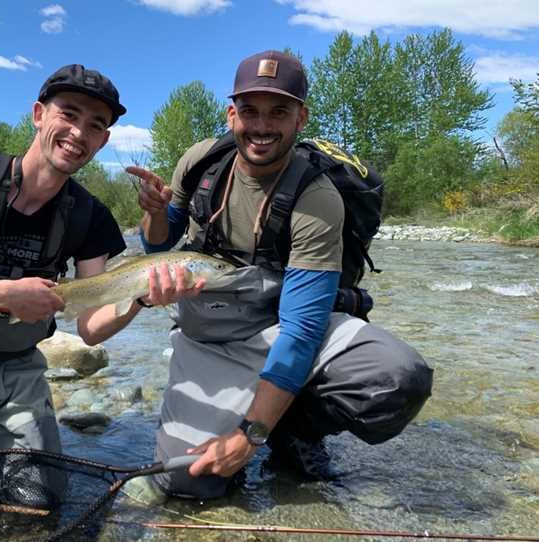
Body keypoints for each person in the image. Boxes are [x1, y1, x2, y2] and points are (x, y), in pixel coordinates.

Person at [129, 50, 433, 499]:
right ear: (231, 113)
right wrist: (155, 214)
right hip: (209, 338)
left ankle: (294, 428)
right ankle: (254, 419)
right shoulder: (200, 162)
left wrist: (251, 434)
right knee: (187, 483)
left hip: (284, 326)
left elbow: (303, 328)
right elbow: (158, 243)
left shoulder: (316, 197)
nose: (262, 126)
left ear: (301, 117)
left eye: (279, 112)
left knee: (396, 377)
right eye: (249, 111)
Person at [0, 64, 202, 484]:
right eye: (68, 114)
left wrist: (141, 298)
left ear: (103, 140)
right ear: (39, 114)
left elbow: (90, 327)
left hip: (18, 367)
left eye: (95, 125)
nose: (78, 133)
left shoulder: (90, 216)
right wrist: (5, 294)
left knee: (40, 490)